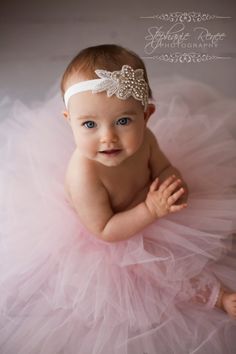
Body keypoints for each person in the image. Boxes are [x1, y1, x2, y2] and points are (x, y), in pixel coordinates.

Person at [0, 44, 236, 354]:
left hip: (147, 204)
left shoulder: (147, 141)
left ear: (146, 115)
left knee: (209, 236)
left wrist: (170, 183)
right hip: (115, 233)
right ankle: (217, 297)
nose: (107, 136)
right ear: (69, 120)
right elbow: (105, 230)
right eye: (89, 125)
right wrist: (151, 210)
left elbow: (163, 167)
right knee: (163, 273)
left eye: (123, 121)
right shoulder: (84, 175)